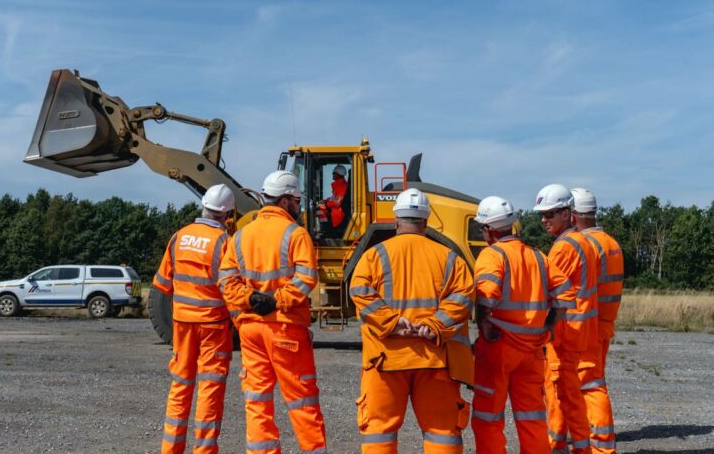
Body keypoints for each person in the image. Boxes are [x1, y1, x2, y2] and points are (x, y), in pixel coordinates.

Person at [349, 188, 475, 454]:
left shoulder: (374, 256)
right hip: (436, 359)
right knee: (442, 434)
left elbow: (359, 291)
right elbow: (464, 297)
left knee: (379, 433)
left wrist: (392, 323)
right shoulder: (450, 258)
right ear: (426, 223)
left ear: (396, 222)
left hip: (385, 359)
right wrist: (434, 325)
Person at [218, 170, 327, 454]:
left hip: (251, 330)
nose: (298, 206)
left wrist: (251, 299)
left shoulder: (241, 235)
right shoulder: (295, 233)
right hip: (285, 327)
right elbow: (305, 279)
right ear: (286, 201)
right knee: (302, 402)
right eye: (296, 200)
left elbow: (226, 282)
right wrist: (276, 300)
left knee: (257, 401)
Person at [471, 196, 576, 454]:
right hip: (531, 352)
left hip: (498, 349)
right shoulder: (538, 256)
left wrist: (483, 323)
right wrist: (550, 326)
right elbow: (565, 293)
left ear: (488, 230)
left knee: (488, 417)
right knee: (531, 417)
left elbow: (487, 294)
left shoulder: (491, 255)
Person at [153, 184, 236, 454]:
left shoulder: (179, 237)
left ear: (203, 206)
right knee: (209, 389)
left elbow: (163, 284)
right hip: (213, 325)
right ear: (227, 214)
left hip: (182, 325)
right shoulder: (225, 242)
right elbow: (232, 287)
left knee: (181, 385)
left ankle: (171, 449)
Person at [534, 184, 600, 454]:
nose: (544, 220)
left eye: (550, 214)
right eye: (542, 214)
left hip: (565, 331)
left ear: (567, 213)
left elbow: (550, 293)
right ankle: (563, 443)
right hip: (579, 329)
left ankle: (563, 445)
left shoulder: (563, 248)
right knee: (567, 391)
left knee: (562, 392)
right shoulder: (585, 241)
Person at [570, 188, 623, 454]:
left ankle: (601, 444)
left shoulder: (586, 245)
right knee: (594, 380)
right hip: (605, 322)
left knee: (590, 384)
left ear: (574, 215)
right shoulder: (611, 242)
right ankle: (593, 437)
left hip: (588, 325)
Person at [319, 164, 349, 237]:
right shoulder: (339, 185)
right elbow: (334, 198)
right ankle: (326, 230)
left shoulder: (341, 186)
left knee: (319, 209)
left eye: (334, 173)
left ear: (339, 174)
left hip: (338, 213)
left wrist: (326, 204)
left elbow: (337, 203)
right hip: (336, 210)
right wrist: (325, 200)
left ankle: (327, 231)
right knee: (320, 206)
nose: (333, 174)